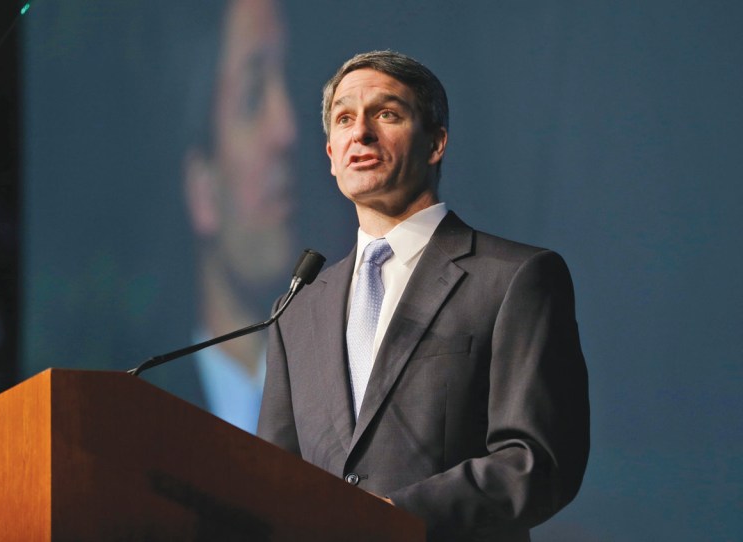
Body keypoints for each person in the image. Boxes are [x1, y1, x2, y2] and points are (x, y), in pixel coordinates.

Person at [257, 50, 589, 541]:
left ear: (435, 142)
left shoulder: (515, 278)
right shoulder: (298, 309)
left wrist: (397, 514)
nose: (361, 132)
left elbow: (536, 460)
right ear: (331, 155)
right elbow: (272, 483)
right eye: (344, 118)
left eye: (386, 114)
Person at [150, 0, 296, 434]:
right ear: (202, 189)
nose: (288, 129)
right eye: (253, 98)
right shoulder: (135, 420)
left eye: (291, 81)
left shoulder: (356, 391)